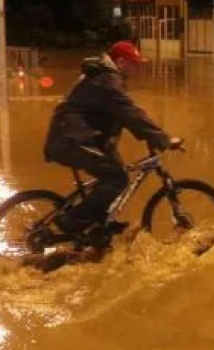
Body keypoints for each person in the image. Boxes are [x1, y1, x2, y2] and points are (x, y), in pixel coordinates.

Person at [43, 40, 177, 235]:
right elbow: (129, 111)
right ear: (121, 62)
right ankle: (73, 219)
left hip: (78, 135)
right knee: (117, 178)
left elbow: (120, 114)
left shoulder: (103, 76)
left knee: (115, 170)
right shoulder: (107, 81)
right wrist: (163, 138)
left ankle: (99, 221)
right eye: (134, 64)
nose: (137, 69)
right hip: (71, 139)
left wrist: (148, 135)